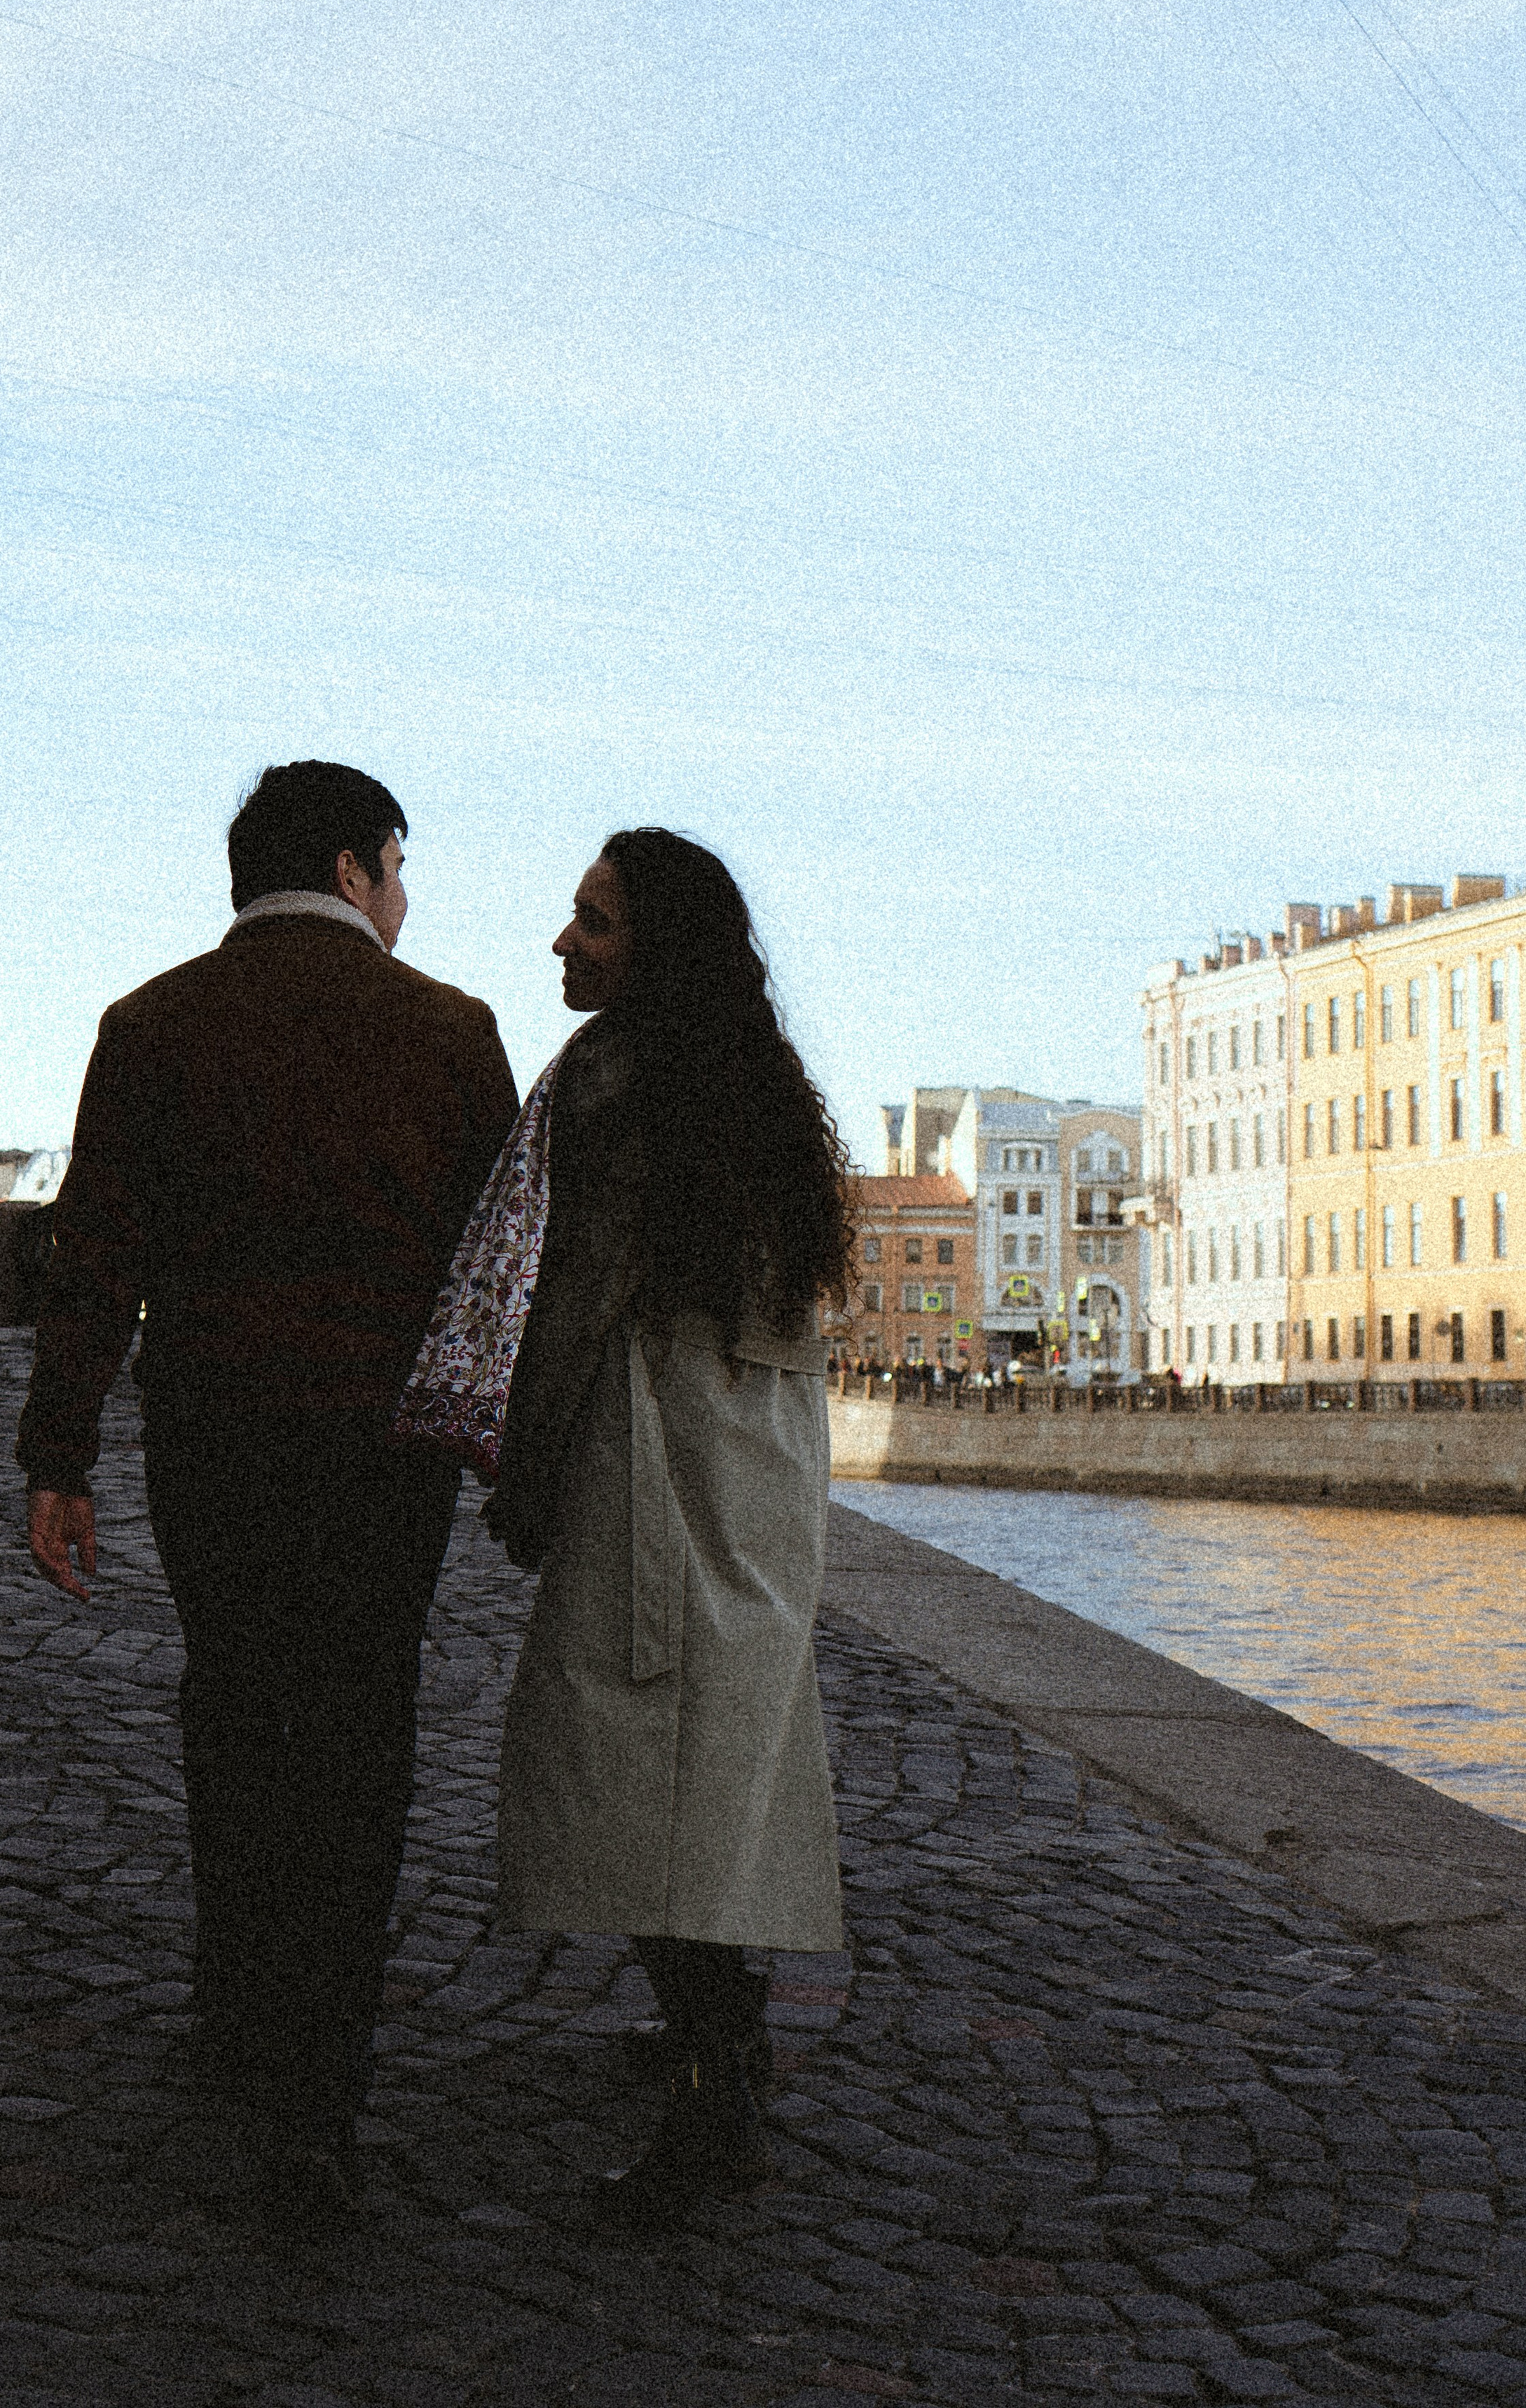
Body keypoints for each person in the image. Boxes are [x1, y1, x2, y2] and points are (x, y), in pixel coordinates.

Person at [15, 762, 518, 2215]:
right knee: (357, 1729)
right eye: (401, 872)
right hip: (381, 1450)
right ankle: (320, 2092)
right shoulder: (447, 1032)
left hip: (215, 1432)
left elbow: (93, 1256)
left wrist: (60, 1456)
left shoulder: (151, 1023)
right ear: (363, 867)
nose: (405, 902)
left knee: (233, 1695)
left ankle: (237, 2007)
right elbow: (498, 1272)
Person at [401, 830, 848, 2224]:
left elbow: (576, 1292)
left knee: (631, 1760)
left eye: (591, 922)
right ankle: (725, 2036)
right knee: (724, 1760)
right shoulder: (758, 1086)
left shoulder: (614, 1080)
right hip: (758, 1468)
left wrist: (521, 1475)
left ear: (654, 948)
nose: (561, 942)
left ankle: (717, 2107)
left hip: (652, 1458)